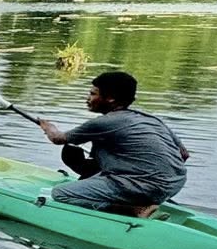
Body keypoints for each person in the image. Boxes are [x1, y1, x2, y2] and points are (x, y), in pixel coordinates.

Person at [36, 70, 189, 216]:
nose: (87, 98)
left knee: (60, 193)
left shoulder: (103, 123)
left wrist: (48, 127)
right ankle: (141, 197)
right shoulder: (151, 119)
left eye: (93, 94)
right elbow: (183, 154)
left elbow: (58, 138)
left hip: (144, 187)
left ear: (110, 98)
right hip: (174, 185)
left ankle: (135, 210)